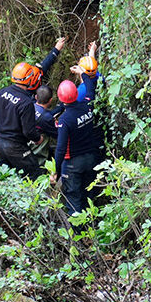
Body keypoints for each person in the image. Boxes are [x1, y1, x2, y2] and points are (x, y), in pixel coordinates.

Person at [0, 37, 67, 177]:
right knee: (34, 174)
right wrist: (38, 139)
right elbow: (29, 130)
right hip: (15, 146)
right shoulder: (26, 102)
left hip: (0, 145)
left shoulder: (3, 92)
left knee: (6, 175)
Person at [53, 41, 103, 219]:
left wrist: (55, 170)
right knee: (89, 193)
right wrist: (84, 71)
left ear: (61, 99)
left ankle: (77, 238)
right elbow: (90, 85)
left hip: (73, 163)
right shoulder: (87, 104)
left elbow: (60, 148)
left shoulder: (65, 120)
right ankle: (92, 224)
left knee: (73, 197)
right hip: (91, 158)